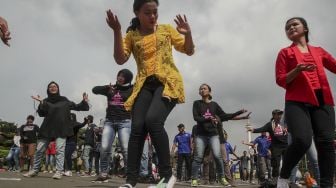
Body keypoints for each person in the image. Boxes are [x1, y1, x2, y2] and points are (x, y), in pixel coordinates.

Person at [106, 0, 195, 187]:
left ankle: (166, 175)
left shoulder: (166, 30)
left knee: (153, 120)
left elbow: (189, 50)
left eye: (155, 12)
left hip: (167, 82)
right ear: (137, 13)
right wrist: (116, 31)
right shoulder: (132, 35)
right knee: (137, 127)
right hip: (144, 85)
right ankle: (131, 180)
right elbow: (120, 59)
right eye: (147, 13)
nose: (153, 16)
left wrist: (188, 35)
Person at [275, 17, 336, 188]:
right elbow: (280, 80)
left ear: (305, 28)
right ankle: (284, 176)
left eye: (295, 24)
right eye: (287, 27)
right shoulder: (285, 53)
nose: (291, 28)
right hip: (297, 100)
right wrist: (297, 70)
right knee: (302, 139)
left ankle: (326, 184)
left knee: (326, 143)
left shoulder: (318, 51)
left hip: (322, 100)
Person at [24, 81, 89, 179]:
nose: (53, 88)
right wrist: (41, 103)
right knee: (39, 150)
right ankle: (35, 170)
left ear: (58, 88)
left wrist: (84, 101)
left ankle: (59, 171)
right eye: (50, 87)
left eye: (55, 86)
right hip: (47, 128)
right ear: (48, 89)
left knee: (60, 150)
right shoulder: (45, 100)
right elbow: (42, 113)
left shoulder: (64, 100)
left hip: (61, 129)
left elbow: (77, 106)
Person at [191, 83, 249, 187]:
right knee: (198, 158)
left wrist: (238, 112)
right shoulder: (196, 103)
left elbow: (224, 116)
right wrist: (209, 118)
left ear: (209, 91)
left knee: (218, 157)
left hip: (213, 135)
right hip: (201, 135)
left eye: (204, 88)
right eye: (200, 89)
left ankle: (222, 178)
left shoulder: (214, 105)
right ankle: (194, 179)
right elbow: (196, 118)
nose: (202, 90)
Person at [91, 69, 133, 183]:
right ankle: (104, 173)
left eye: (123, 76)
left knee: (126, 148)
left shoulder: (132, 89)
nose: (119, 77)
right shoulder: (111, 88)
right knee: (104, 148)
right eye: (119, 75)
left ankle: (130, 175)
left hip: (125, 122)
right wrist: (105, 88)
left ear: (127, 79)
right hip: (109, 122)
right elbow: (94, 90)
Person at [246, 109, 288, 183]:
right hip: (276, 147)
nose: (279, 116)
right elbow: (262, 129)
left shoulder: (284, 123)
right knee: (276, 164)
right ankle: (275, 179)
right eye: (278, 114)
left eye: (280, 114)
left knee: (287, 162)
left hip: (285, 145)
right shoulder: (270, 125)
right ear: (274, 115)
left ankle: (287, 179)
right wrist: (253, 130)